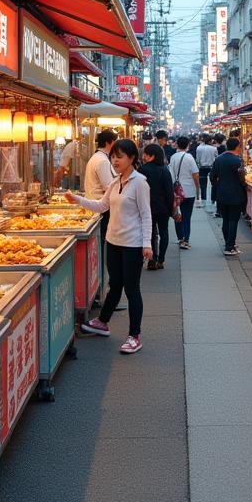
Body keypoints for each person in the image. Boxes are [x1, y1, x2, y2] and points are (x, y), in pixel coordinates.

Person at [70, 138, 152, 354]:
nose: (115, 160)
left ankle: (135, 335)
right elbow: (101, 205)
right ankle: (103, 321)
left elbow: (146, 215)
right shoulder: (116, 182)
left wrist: (147, 244)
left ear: (132, 158)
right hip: (113, 241)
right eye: (113, 156)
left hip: (132, 244)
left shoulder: (140, 182)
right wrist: (77, 200)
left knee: (132, 289)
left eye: (120, 156)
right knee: (115, 283)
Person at [211, 137, 247, 256]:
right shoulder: (238, 161)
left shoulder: (219, 159)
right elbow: (242, 179)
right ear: (237, 147)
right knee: (233, 220)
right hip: (236, 194)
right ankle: (229, 246)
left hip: (221, 194)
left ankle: (228, 243)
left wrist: (218, 185)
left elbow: (212, 176)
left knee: (225, 219)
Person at [141, 143, 174, 269]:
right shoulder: (165, 170)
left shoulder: (143, 170)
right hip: (163, 208)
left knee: (150, 233)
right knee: (164, 232)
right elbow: (169, 192)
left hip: (147, 206)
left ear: (152, 156)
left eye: (146, 154)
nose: (143, 156)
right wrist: (171, 209)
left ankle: (152, 259)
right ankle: (161, 260)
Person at [85, 128, 117, 247]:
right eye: (115, 142)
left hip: (95, 203)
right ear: (109, 142)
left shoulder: (98, 157)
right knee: (102, 241)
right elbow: (107, 186)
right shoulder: (102, 160)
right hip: (100, 206)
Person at [170, 135, 200, 249]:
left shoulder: (173, 157)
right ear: (188, 145)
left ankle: (180, 237)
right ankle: (186, 240)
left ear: (177, 144)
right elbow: (195, 174)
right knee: (187, 216)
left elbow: (171, 173)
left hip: (176, 191)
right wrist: (198, 189)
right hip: (188, 191)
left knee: (177, 214)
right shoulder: (189, 157)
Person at [195, 135, 218, 211]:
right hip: (212, 168)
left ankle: (204, 200)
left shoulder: (198, 148)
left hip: (202, 168)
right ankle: (213, 200)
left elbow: (197, 160)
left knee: (203, 185)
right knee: (213, 184)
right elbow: (216, 158)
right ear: (210, 141)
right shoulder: (214, 148)